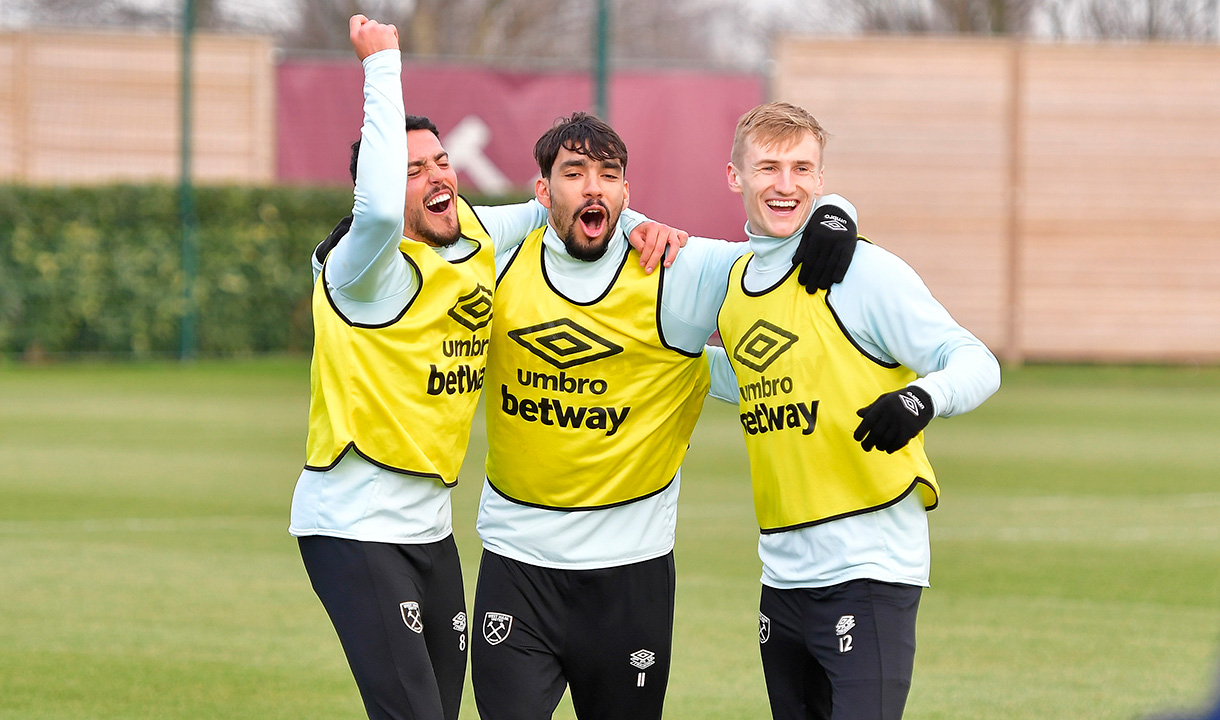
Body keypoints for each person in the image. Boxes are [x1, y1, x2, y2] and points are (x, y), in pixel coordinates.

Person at [289, 17, 685, 720]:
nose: (438, 175)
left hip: (430, 533)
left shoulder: (472, 235)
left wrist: (644, 224)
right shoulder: (361, 266)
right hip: (355, 528)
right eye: (413, 170)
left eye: (441, 161)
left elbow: (564, 206)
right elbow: (377, 213)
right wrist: (383, 66)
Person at [469, 111, 859, 720]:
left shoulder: (675, 270)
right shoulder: (496, 265)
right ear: (543, 192)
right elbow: (419, 227)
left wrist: (836, 212)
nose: (593, 188)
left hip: (631, 577)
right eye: (574, 174)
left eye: (609, 175)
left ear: (627, 193)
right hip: (517, 568)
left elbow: (779, 254)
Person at [707, 101, 1002, 720]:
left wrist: (923, 397)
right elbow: (754, 380)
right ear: (735, 177)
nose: (785, 185)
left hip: (869, 569)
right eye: (767, 168)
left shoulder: (862, 270)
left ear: (821, 178)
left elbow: (975, 361)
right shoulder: (733, 284)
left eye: (802, 169)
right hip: (781, 577)